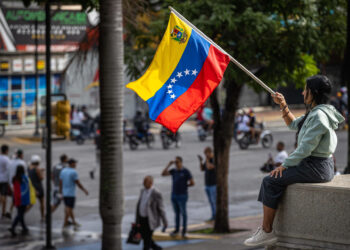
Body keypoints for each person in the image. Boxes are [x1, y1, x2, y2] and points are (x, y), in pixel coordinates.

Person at [244, 75, 344, 247]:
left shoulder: (318, 116)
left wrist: (284, 165)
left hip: (316, 166)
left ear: (314, 93)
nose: (302, 92)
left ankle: (267, 231)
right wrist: (283, 105)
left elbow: (305, 149)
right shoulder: (316, 112)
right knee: (273, 179)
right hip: (314, 164)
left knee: (270, 181)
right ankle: (267, 229)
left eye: (306, 89)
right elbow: (293, 124)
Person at [161, 156, 195, 237]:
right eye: (175, 162)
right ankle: (176, 229)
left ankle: (184, 230)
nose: (176, 164)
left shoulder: (186, 171)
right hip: (174, 194)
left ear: (181, 162)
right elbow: (163, 174)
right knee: (176, 213)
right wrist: (168, 165)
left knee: (183, 213)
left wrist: (185, 186)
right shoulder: (173, 171)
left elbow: (192, 182)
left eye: (177, 162)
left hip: (182, 195)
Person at [135, 176, 167, 250]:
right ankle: (157, 248)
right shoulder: (142, 191)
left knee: (146, 240)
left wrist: (165, 221)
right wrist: (137, 219)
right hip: (142, 218)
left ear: (151, 183)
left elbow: (161, 208)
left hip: (150, 220)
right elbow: (139, 204)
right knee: (145, 237)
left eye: (145, 182)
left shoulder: (156, 193)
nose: (143, 183)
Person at [60, 158, 88, 230]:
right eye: (74, 163)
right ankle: (65, 223)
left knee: (69, 208)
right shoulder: (73, 172)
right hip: (71, 193)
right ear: (71, 164)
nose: (75, 164)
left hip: (65, 193)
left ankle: (73, 221)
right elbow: (78, 183)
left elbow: (60, 182)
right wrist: (84, 190)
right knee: (69, 208)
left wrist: (60, 192)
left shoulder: (63, 171)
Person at [8, 165, 31, 236]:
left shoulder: (14, 178)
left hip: (16, 197)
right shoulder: (24, 178)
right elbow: (28, 187)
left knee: (20, 212)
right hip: (23, 198)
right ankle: (13, 227)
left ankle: (24, 227)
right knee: (20, 214)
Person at [198, 147, 216, 221]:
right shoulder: (207, 160)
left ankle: (215, 216)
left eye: (206, 153)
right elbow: (202, 169)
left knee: (214, 201)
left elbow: (209, 167)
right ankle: (213, 215)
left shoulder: (214, 160)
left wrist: (207, 159)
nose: (205, 155)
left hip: (213, 184)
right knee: (211, 202)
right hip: (207, 184)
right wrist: (201, 161)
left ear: (210, 152)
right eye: (205, 153)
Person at [27, 155, 45, 221]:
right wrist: (42, 172)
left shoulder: (29, 168)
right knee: (42, 202)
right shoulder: (37, 169)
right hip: (38, 187)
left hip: (32, 187)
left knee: (31, 203)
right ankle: (42, 217)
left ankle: (22, 214)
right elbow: (41, 178)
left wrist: (40, 170)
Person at [9, 149, 26, 214]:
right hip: (18, 183)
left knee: (14, 198)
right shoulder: (22, 163)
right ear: (21, 155)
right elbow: (24, 174)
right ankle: (19, 215)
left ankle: (10, 211)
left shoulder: (11, 162)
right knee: (18, 199)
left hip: (11, 183)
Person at [0, 144, 11, 219]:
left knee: (4, 196)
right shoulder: (7, 159)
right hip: (4, 180)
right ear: (6, 151)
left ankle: (3, 212)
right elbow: (8, 171)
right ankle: (3, 212)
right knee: (4, 196)